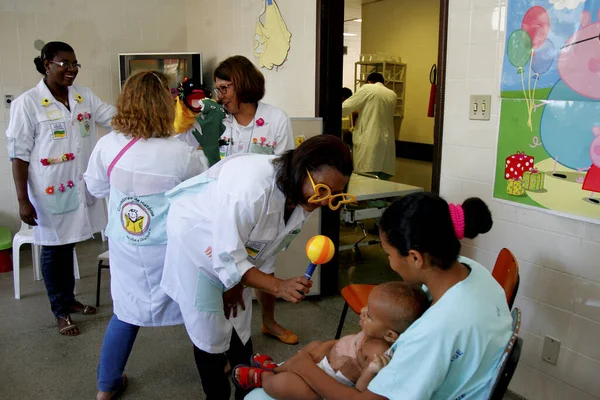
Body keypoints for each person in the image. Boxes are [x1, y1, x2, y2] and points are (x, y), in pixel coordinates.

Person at [247, 192, 514, 400]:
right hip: (465, 381)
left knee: (260, 393)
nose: (390, 264)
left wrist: (306, 368)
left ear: (414, 258)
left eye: (389, 255)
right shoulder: (474, 272)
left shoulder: (434, 333)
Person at [160, 134, 355, 400]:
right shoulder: (251, 189)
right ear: (302, 169)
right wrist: (277, 286)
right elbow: (227, 255)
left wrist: (238, 282)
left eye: (334, 196)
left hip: (235, 252)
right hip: (196, 240)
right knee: (209, 331)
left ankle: (247, 394)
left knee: (239, 320)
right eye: (322, 191)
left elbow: (267, 245)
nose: (324, 201)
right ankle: (216, 395)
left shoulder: (302, 194)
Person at [83, 70, 208, 399]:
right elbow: (203, 197)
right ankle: (217, 362)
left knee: (126, 311)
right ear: (166, 104)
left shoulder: (107, 145)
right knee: (196, 307)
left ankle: (106, 386)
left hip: (126, 246)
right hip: (169, 250)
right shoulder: (182, 154)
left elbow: (95, 187)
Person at [6, 41, 115, 336]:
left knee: (67, 245)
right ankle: (60, 310)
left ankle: (70, 299)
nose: (71, 69)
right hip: (48, 191)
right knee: (54, 249)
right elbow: (19, 155)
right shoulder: (27, 104)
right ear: (46, 64)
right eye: (64, 63)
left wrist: (144, 115)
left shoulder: (84, 96)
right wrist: (23, 200)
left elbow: (113, 117)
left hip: (80, 187)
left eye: (75, 64)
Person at [214, 55, 299, 345]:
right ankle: (226, 337)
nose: (220, 95)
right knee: (226, 264)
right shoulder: (216, 120)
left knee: (265, 262)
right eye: (218, 89)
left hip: (265, 205)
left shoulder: (275, 118)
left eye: (225, 88)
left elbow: (286, 165)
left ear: (244, 84)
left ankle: (269, 322)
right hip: (224, 205)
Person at [232, 282, 429, 399]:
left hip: (327, 382)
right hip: (327, 361)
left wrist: (371, 371)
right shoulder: (374, 333)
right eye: (366, 307)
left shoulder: (378, 352)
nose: (362, 311)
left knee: (288, 386)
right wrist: (326, 347)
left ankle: (265, 378)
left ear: (390, 336)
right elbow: (348, 344)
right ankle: (275, 368)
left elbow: (360, 391)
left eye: (370, 315)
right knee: (313, 346)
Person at [342, 73, 397, 180]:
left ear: (368, 81)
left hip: (370, 141)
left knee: (365, 181)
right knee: (382, 184)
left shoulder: (368, 88)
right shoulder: (392, 94)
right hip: (387, 145)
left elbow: (345, 108)